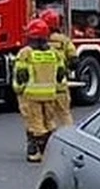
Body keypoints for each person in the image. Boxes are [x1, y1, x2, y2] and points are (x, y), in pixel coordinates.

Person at [13, 18, 68, 163]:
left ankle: (40, 152)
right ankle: (44, 150)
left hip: (31, 96)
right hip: (50, 95)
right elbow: (61, 74)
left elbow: (20, 76)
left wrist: (18, 90)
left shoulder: (26, 53)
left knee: (35, 125)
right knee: (50, 122)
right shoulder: (54, 54)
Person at [40, 8, 77, 126]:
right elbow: (74, 59)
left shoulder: (40, 41)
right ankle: (69, 137)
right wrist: (66, 70)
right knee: (64, 113)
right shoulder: (64, 40)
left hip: (44, 86)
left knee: (48, 117)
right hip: (60, 84)